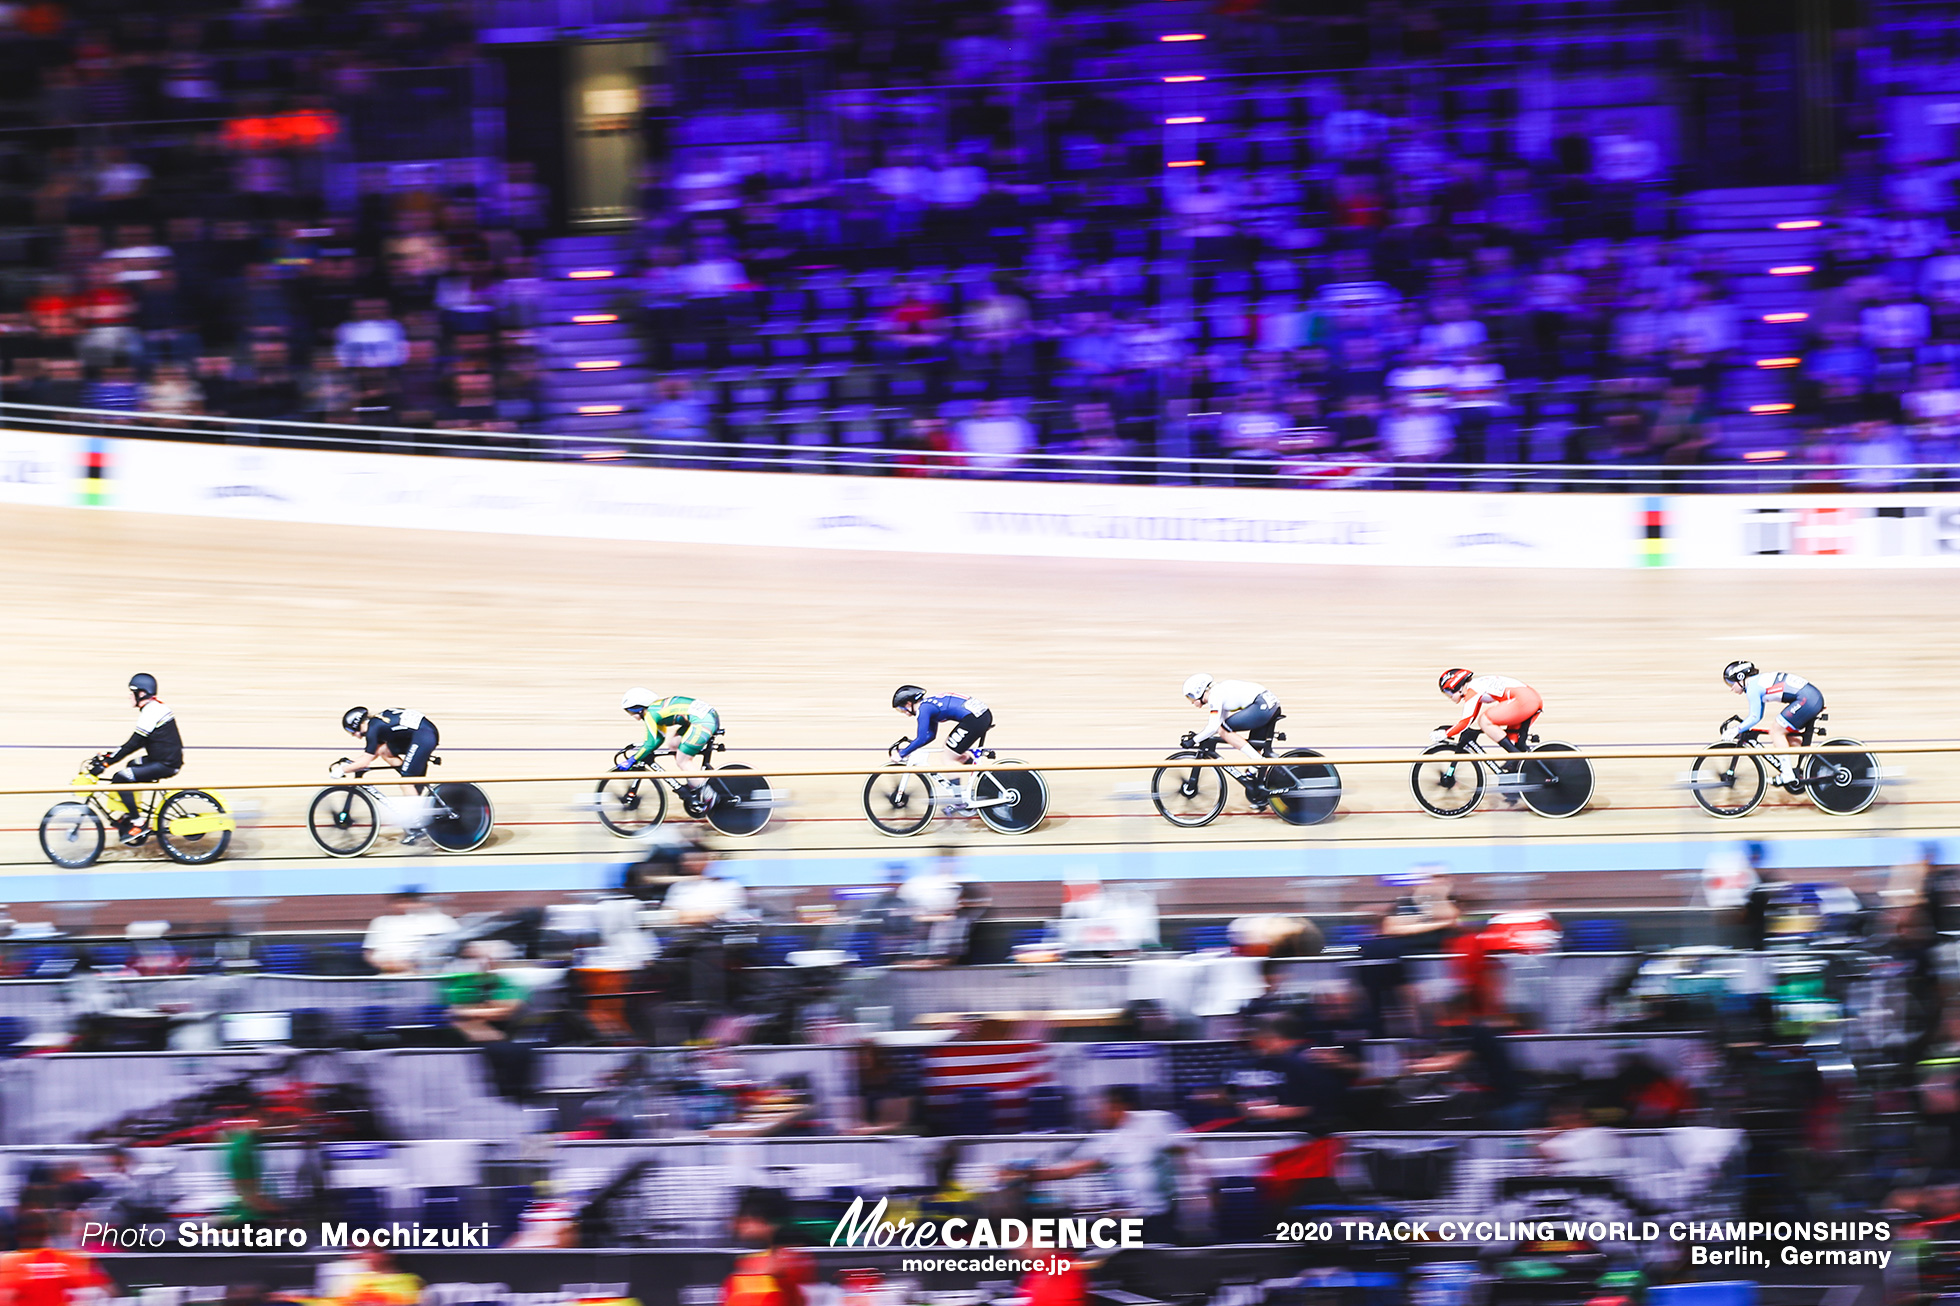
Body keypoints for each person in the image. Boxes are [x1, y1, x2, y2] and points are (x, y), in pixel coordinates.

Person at [1003, 1085, 1187, 1244]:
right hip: (1134, 1217)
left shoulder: (1157, 1121)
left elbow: (1186, 1150)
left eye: (1101, 1108)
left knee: (1163, 1254)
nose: (1096, 1114)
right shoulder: (1106, 1140)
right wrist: (1024, 1174)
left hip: (1163, 1210)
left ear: (1117, 1106)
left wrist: (1194, 1191)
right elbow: (1068, 1170)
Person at [91, 673, 182, 846]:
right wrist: (109, 756)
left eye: (131, 692)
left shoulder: (151, 712)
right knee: (131, 766)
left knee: (121, 777)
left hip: (165, 764)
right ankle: (133, 813)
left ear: (141, 693)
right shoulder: (153, 708)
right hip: (162, 759)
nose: (129, 696)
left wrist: (106, 763)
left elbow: (133, 743)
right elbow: (134, 744)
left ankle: (138, 823)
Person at [334, 707, 441, 843]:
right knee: (384, 750)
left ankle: (417, 827)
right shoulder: (376, 724)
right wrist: (351, 764)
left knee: (406, 783)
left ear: (358, 724)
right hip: (422, 734)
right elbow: (373, 754)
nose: (354, 735)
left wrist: (343, 770)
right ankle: (411, 778)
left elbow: (365, 761)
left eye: (352, 731)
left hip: (424, 736)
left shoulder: (373, 729)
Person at [1721, 660, 1825, 788]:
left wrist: (1736, 730)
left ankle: (1787, 775)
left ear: (1740, 678)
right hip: (1810, 698)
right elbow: (1758, 716)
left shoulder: (1752, 687)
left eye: (1731, 683)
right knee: (1783, 738)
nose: (1731, 688)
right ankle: (1817, 762)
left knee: (1776, 730)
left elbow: (1754, 717)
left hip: (1807, 699)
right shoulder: (1756, 682)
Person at [618, 688, 721, 815]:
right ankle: (695, 783)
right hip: (705, 717)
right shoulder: (656, 709)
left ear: (638, 707)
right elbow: (658, 739)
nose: (633, 716)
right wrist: (643, 752)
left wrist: (632, 759)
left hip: (703, 721)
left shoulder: (650, 714)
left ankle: (710, 796)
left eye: (630, 711)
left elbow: (650, 743)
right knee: (674, 744)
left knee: (683, 761)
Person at [889, 685, 993, 811]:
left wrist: (902, 754)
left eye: (901, 709)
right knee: (953, 751)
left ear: (909, 703)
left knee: (947, 758)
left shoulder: (924, 709)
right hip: (980, 715)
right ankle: (986, 780)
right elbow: (930, 736)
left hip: (975, 718)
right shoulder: (928, 706)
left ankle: (958, 801)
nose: (904, 713)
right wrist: (911, 748)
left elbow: (921, 738)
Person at [1180, 672, 1282, 781]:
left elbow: (1215, 727)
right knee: (1253, 746)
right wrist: (1201, 736)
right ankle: (1263, 778)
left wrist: (1194, 740)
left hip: (1262, 707)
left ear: (1198, 691)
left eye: (1190, 697)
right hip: (1267, 705)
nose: (1192, 702)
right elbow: (1218, 723)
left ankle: (1258, 760)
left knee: (1224, 730)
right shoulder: (1219, 691)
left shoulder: (1215, 696)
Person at [0, 1212, 108, 1306]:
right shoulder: (68, 1259)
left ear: (18, 1236)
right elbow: (107, 1290)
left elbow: (5, 1298)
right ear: (47, 1234)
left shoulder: (8, 1263)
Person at [1436, 668, 1542, 754]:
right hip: (1529, 699)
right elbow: (1471, 717)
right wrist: (1452, 730)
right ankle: (1519, 764)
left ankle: (1516, 757)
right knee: (1512, 742)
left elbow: (1466, 721)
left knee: (1484, 720)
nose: (1449, 697)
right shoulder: (1476, 685)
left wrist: (1445, 734)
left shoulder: (1473, 690)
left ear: (1457, 686)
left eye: (1448, 692)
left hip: (1524, 700)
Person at [361, 888, 458, 974]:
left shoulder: (441, 920)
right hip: (392, 973)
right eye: (401, 902)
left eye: (411, 901)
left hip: (432, 973)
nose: (406, 906)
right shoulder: (381, 922)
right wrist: (387, 964)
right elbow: (369, 953)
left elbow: (458, 947)